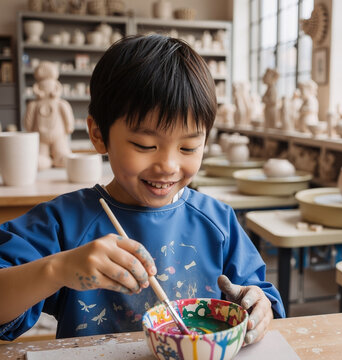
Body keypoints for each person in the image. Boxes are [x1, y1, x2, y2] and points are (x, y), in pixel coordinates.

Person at [0, 35, 285, 343]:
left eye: (189, 147)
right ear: (98, 134)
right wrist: (57, 269)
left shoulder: (218, 223)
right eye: (145, 145)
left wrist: (258, 304)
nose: (169, 165)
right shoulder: (64, 221)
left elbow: (258, 298)